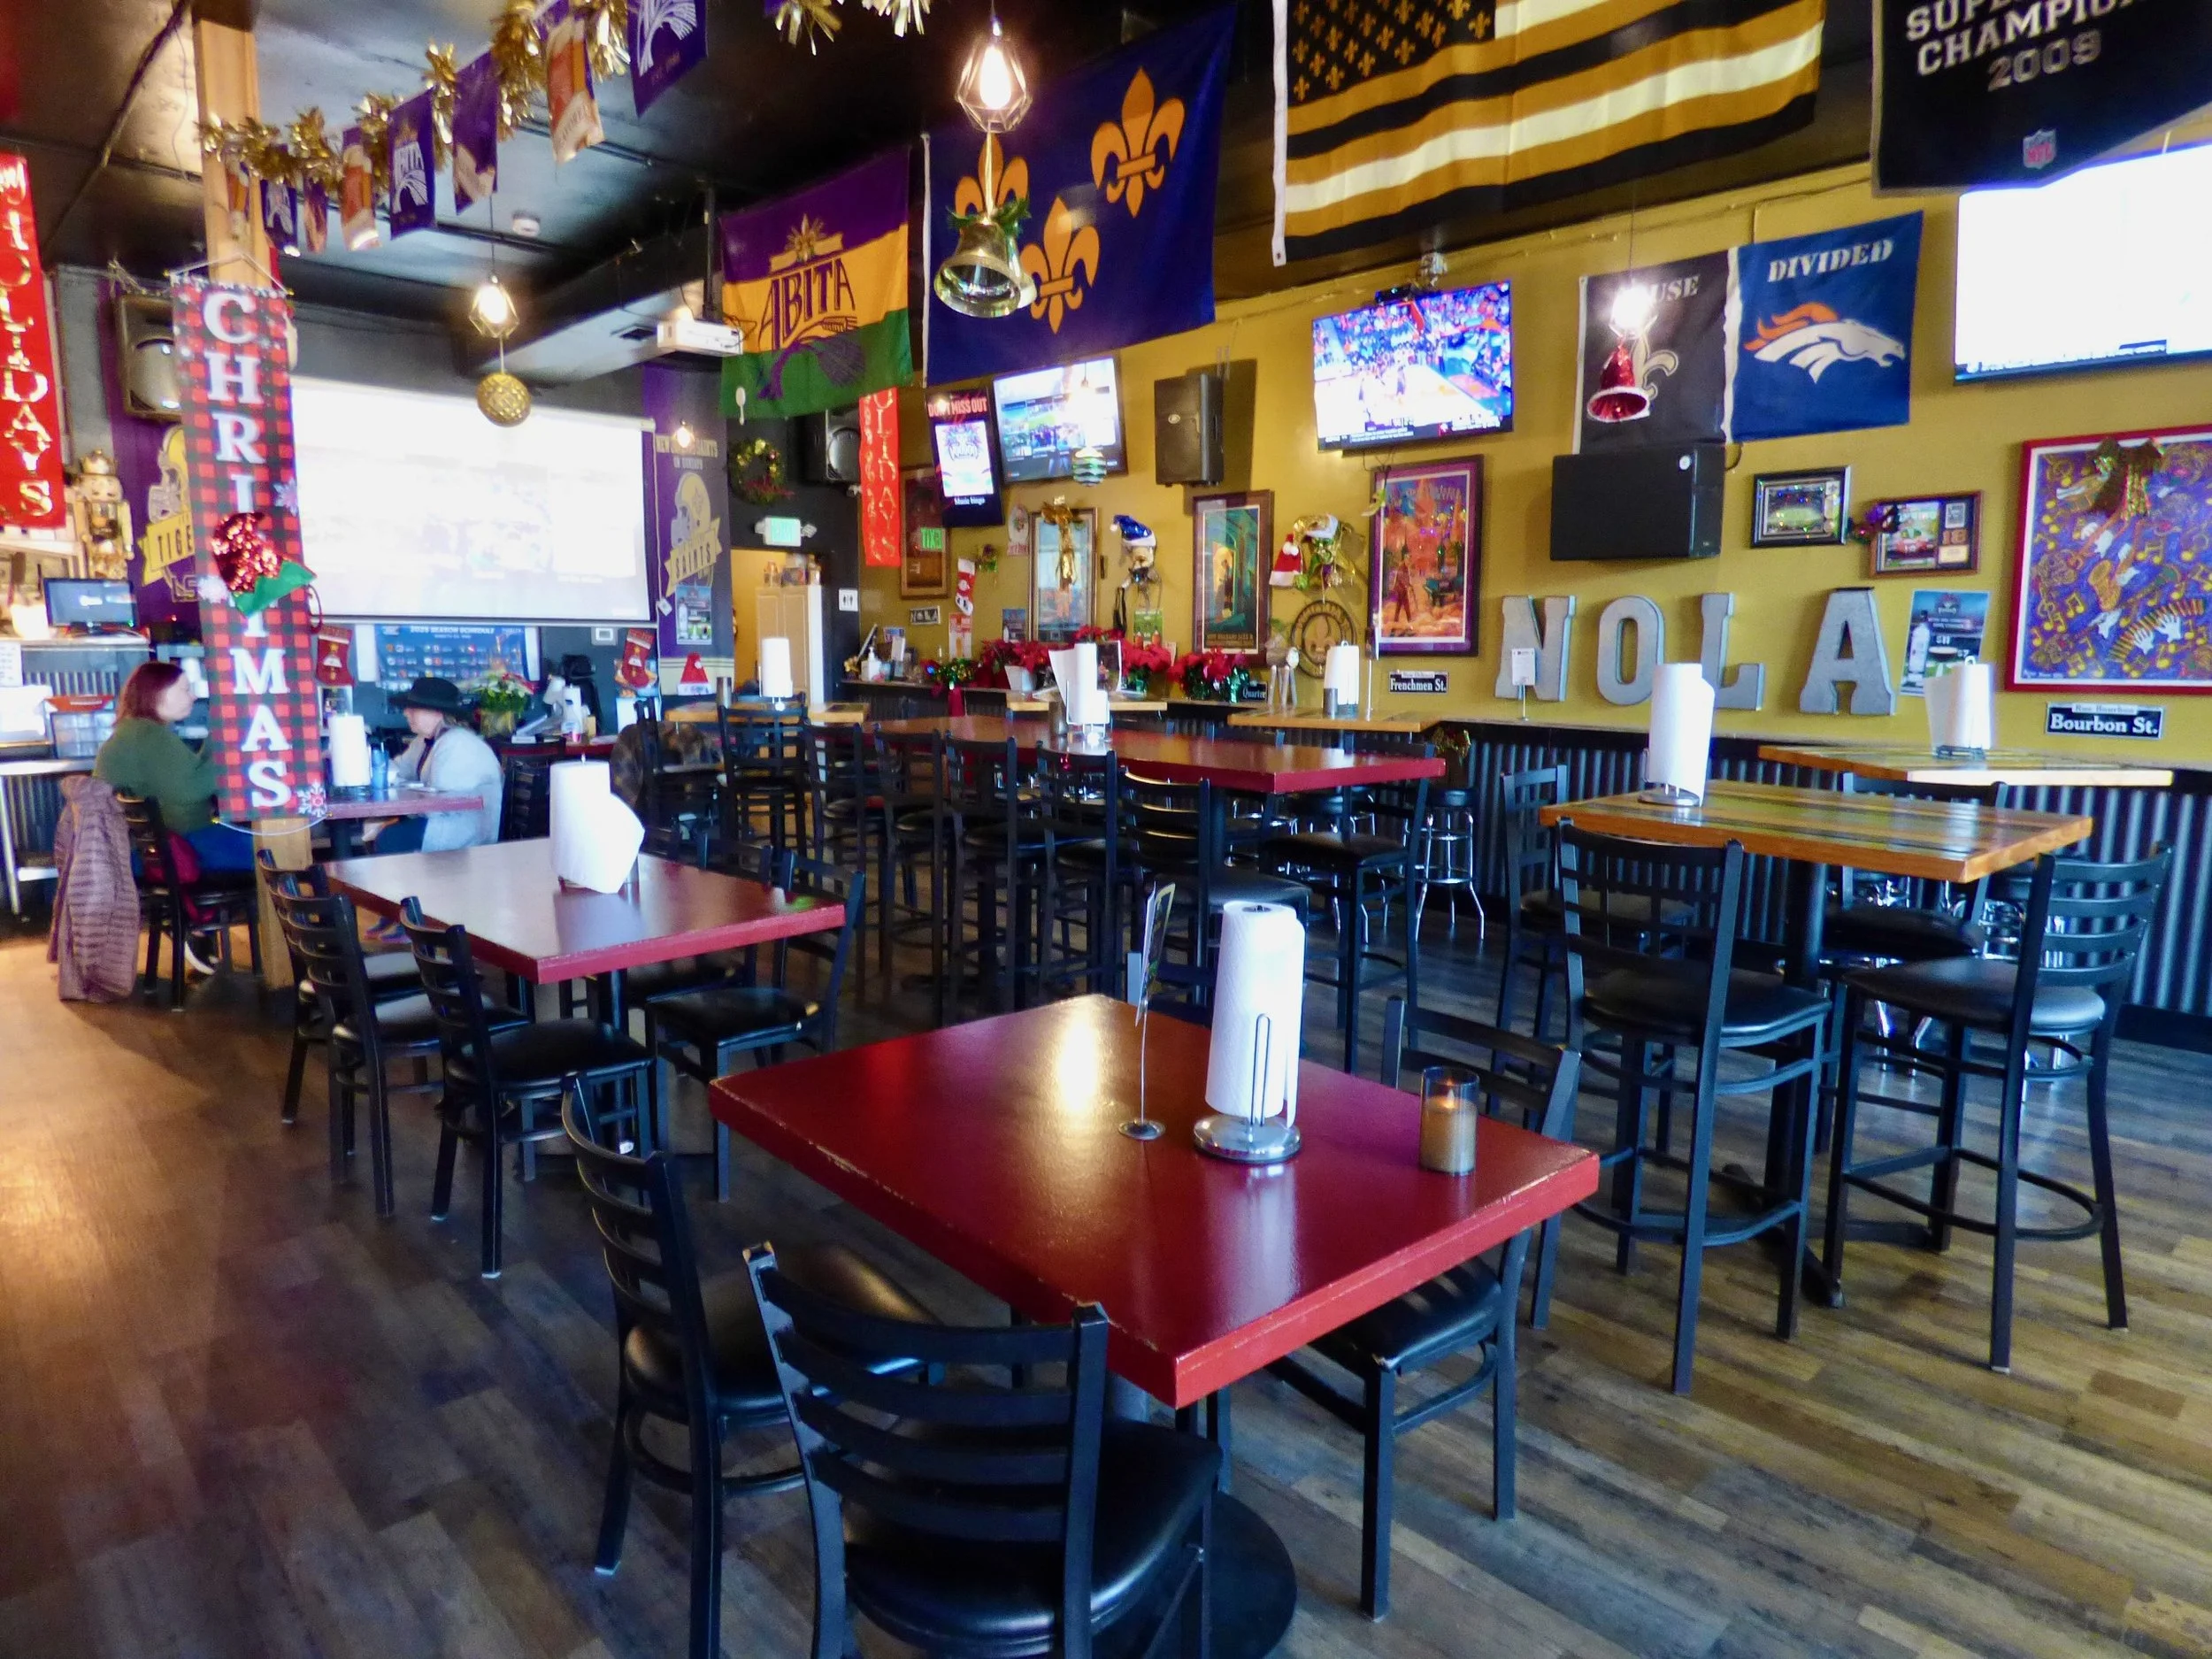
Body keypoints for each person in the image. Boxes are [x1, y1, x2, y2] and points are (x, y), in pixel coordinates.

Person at [96, 659, 256, 872]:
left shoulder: (135, 731)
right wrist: (236, 755)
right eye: (185, 689)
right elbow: (191, 790)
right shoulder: (149, 735)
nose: (193, 696)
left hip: (151, 850)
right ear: (158, 693)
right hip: (182, 848)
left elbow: (189, 775)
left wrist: (220, 734)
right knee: (274, 852)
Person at [370, 677, 503, 856]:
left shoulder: (458, 744)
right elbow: (397, 769)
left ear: (438, 713)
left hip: (463, 832)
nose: (405, 713)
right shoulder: (425, 741)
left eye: (413, 708)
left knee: (389, 839)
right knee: (383, 831)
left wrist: (397, 816)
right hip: (442, 823)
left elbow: (445, 804)